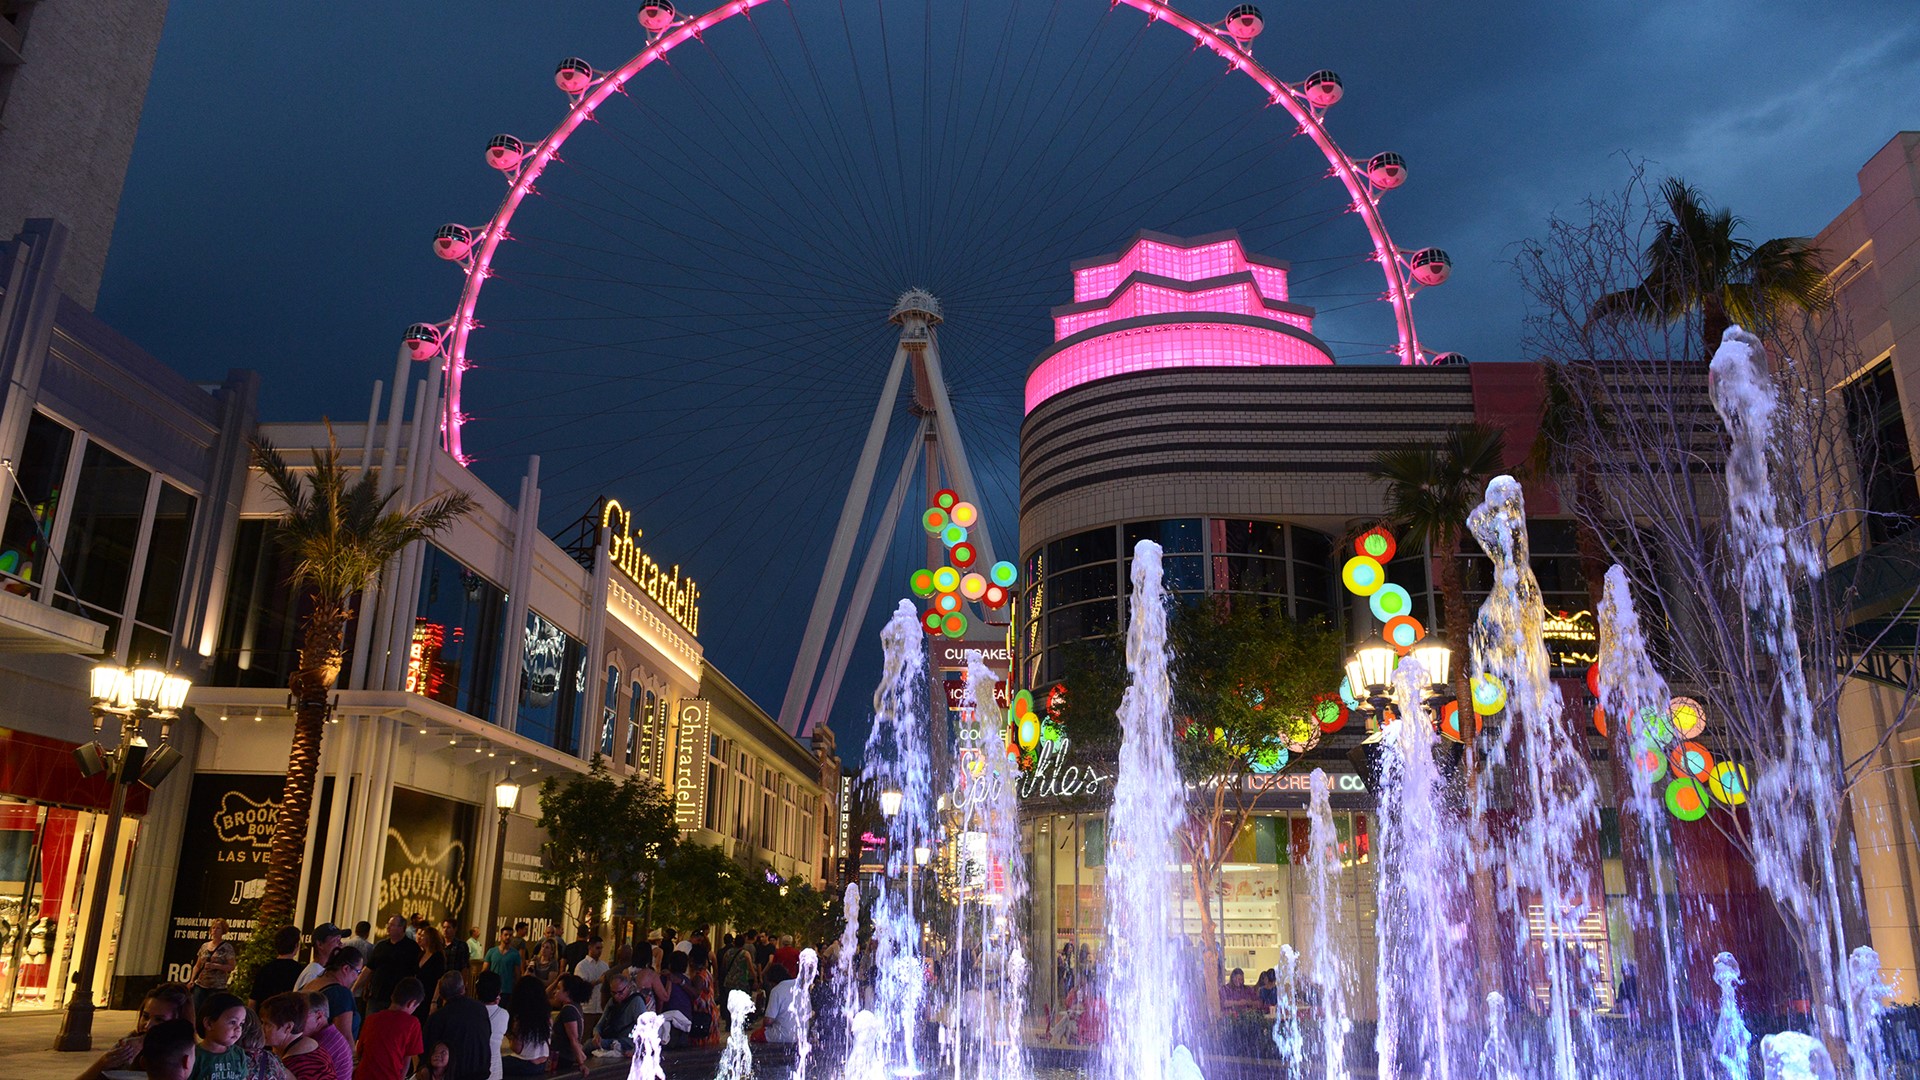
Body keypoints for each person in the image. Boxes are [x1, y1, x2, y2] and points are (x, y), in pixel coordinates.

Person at [77, 981, 195, 1080]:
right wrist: (101, 1064)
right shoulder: (127, 1046)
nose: (147, 1025)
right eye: (145, 1016)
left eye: (159, 1020)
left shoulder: (189, 1052)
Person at [422, 970, 493, 1080]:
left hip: (454, 1075)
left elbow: (426, 1052)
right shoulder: (480, 1008)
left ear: (441, 994)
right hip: (481, 1072)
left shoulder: (438, 1017)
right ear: (463, 988)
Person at [357, 975, 426, 1080]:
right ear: (411, 1003)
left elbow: (359, 1052)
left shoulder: (371, 1019)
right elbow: (407, 1061)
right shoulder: (412, 1023)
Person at [259, 993, 331, 1080]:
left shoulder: (295, 1064)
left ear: (288, 1027)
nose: (261, 1028)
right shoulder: (311, 1047)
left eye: (267, 1024)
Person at [188, 991, 249, 1080]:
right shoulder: (194, 1056)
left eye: (241, 1024)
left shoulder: (238, 1054)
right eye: (232, 1022)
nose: (238, 1029)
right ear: (209, 1023)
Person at [368, 915, 423, 1010]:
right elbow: (369, 968)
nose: (388, 927)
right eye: (388, 924)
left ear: (402, 928)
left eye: (392, 925)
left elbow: (416, 973)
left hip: (398, 999)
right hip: (377, 995)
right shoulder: (381, 946)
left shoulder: (412, 948)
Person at [309, 946, 364, 1041]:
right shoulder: (341, 994)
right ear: (346, 969)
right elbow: (344, 1037)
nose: (357, 977)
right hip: (330, 1054)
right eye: (358, 972)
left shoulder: (312, 984)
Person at [499, 978, 551, 1077]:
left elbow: (517, 1048)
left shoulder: (521, 1019)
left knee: (491, 1063)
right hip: (542, 1063)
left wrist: (510, 1037)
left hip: (525, 1064)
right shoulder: (546, 1017)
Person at [249, 926, 306, 1011]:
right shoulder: (301, 971)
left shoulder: (265, 969)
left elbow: (253, 1001)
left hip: (265, 1018)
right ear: (296, 946)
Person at [188, 921, 238, 1018]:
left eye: (218, 928)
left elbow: (231, 967)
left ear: (223, 931)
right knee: (196, 1010)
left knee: (213, 1012)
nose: (215, 930)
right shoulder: (204, 946)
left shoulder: (227, 947)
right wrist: (192, 979)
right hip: (201, 984)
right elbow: (197, 965)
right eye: (213, 928)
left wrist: (216, 966)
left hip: (217, 986)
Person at [586, 975, 642, 1057]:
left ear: (628, 987)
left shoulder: (636, 1002)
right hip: (611, 1036)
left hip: (626, 1041)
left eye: (620, 992)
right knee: (591, 1043)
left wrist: (635, 1051)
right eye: (613, 993)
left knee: (589, 1045)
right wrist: (597, 1034)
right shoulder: (612, 1001)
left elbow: (644, 1029)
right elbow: (600, 1024)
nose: (616, 996)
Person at [547, 975, 591, 1076]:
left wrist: (581, 1063)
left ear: (567, 992)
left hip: (562, 1057)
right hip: (564, 1056)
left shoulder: (568, 1010)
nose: (555, 991)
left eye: (558, 988)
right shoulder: (575, 1006)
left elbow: (573, 1038)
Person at [304, 991, 353, 1080]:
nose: (296, 1021)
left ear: (318, 1016)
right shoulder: (329, 1035)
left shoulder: (320, 1047)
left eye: (301, 1016)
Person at [473, 972, 508, 1080]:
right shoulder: (504, 1014)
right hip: (495, 1070)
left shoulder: (471, 1012)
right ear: (498, 992)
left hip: (474, 1068)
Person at [571, 937, 608, 1031]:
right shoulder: (582, 966)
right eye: (597, 948)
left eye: (601, 948)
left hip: (600, 1008)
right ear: (590, 948)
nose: (600, 951)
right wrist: (599, 981)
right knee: (585, 1035)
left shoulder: (604, 966)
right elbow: (581, 986)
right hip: (587, 1008)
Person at [294, 925, 343, 991]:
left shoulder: (319, 971)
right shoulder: (313, 975)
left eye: (340, 940)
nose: (340, 944)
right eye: (336, 940)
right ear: (320, 944)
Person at [414, 926, 448, 1017]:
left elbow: (439, 979)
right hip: (418, 994)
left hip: (429, 993)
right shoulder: (421, 954)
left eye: (423, 936)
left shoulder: (437, 956)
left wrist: (434, 1000)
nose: (420, 938)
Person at [762, 964, 800, 1044]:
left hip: (783, 1035)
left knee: (756, 1036)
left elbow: (768, 1020)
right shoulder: (799, 986)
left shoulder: (776, 990)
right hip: (801, 1034)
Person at [484, 927, 523, 996]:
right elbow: (485, 970)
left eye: (510, 935)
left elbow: (517, 974)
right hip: (493, 989)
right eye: (506, 934)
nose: (508, 937)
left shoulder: (515, 954)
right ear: (501, 936)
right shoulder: (491, 951)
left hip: (507, 990)